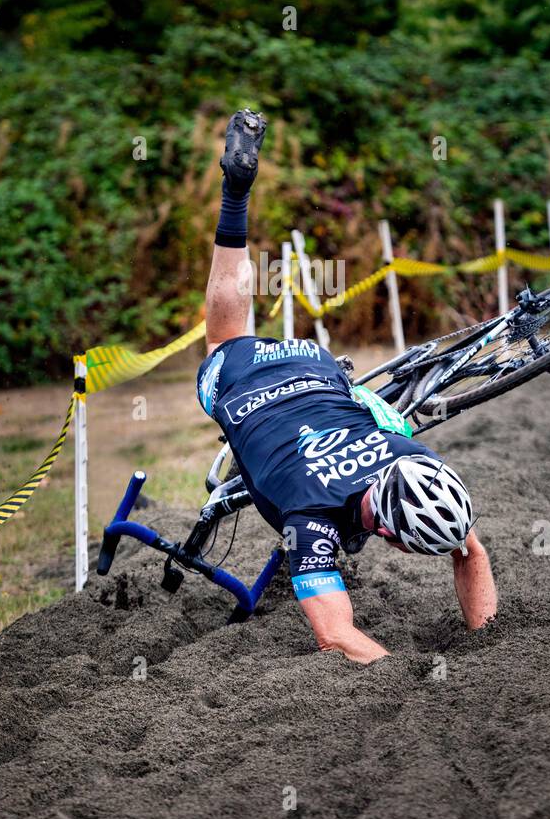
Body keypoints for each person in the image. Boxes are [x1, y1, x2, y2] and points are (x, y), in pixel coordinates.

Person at [197, 110, 497, 664]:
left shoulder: (415, 461)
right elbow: (335, 635)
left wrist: (487, 647)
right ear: (390, 535)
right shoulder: (309, 523)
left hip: (312, 366)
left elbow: (466, 546)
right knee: (223, 339)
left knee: (231, 334)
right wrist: (418, 677)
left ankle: (237, 195)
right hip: (245, 384)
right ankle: (233, 197)